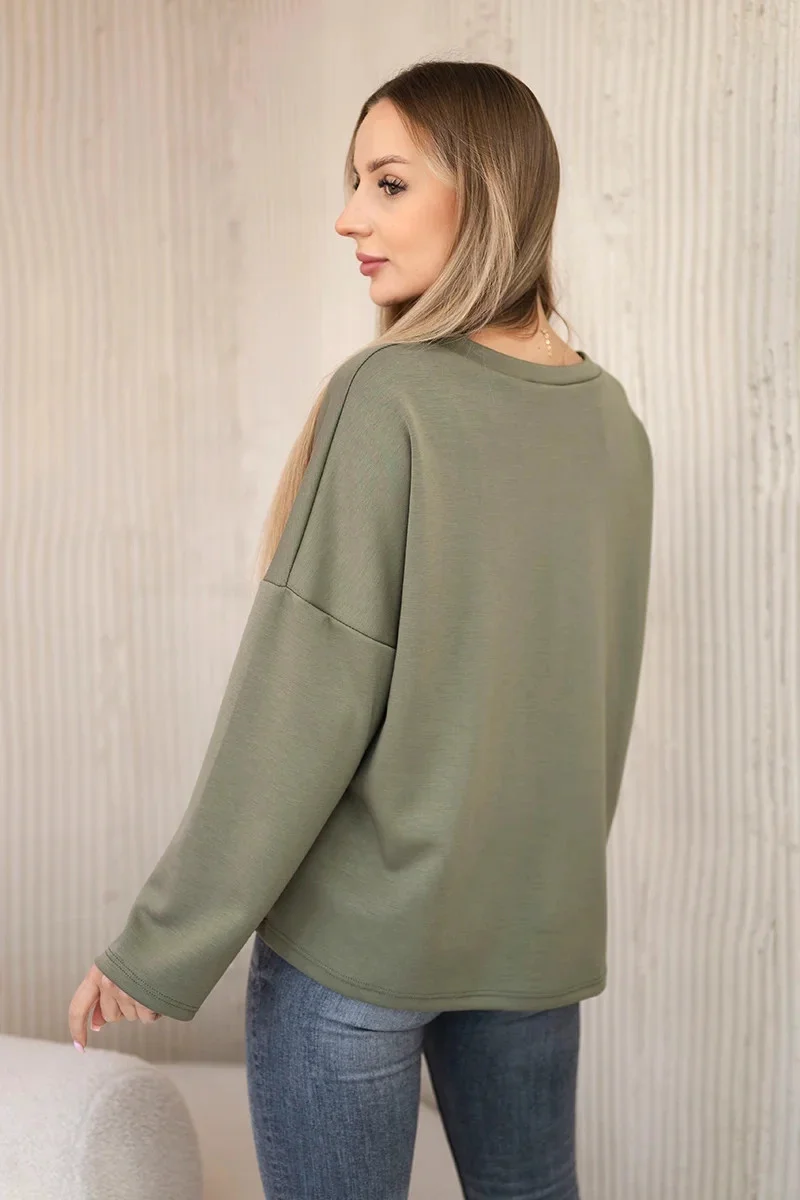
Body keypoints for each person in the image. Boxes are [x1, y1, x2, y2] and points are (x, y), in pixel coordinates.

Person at [69, 59, 654, 1200]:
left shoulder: (390, 396)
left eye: (386, 183)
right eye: (353, 183)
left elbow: (301, 698)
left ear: (487, 192)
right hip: (532, 944)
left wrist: (162, 944)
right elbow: (587, 709)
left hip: (357, 959)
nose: (348, 218)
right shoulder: (610, 420)